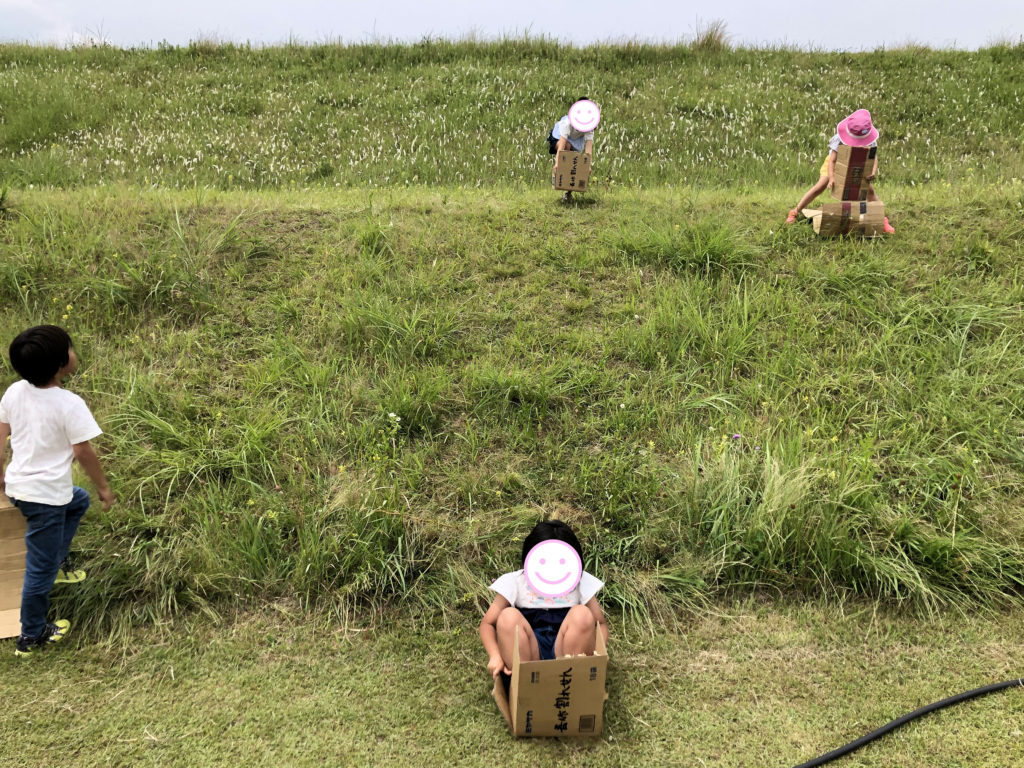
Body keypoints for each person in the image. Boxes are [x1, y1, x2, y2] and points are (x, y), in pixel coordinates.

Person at [0, 325, 115, 657]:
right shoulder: (69, 404)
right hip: (45, 497)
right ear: (62, 363)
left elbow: (1, 441)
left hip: (20, 487)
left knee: (77, 501)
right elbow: (83, 452)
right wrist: (104, 488)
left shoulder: (14, 392)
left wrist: (1, 475)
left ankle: (58, 562)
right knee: (39, 570)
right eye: (71, 348)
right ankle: (32, 636)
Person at [479, 519, 608, 683]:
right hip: (530, 652)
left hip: (567, 650)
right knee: (507, 616)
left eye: (561, 562)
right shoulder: (515, 582)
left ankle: (570, 682)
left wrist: (599, 654)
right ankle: (525, 684)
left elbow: (600, 624)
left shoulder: (580, 581)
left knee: (582, 614)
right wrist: (495, 656)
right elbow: (487, 624)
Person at [786, 109, 895, 233]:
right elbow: (832, 161)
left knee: (869, 191)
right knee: (820, 186)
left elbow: (873, 157)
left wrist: (873, 171)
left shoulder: (871, 140)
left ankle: (882, 219)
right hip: (834, 164)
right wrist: (832, 178)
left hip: (856, 165)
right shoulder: (839, 139)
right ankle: (795, 211)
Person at [552, 98, 599, 202]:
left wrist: (587, 166)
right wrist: (557, 163)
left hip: (577, 140)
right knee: (567, 148)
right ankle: (555, 177)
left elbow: (588, 149)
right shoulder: (566, 123)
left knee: (576, 164)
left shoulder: (589, 125)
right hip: (560, 137)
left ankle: (568, 193)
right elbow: (562, 146)